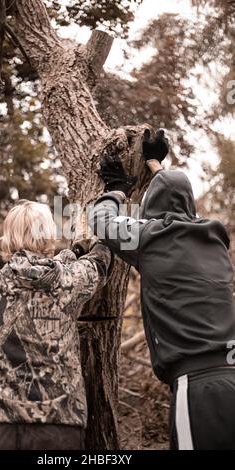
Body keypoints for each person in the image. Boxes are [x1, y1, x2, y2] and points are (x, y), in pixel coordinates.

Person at [89, 129, 235, 450]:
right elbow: (177, 205)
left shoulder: (150, 238)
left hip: (196, 387)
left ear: (150, 208)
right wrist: (156, 163)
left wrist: (115, 190)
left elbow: (100, 221)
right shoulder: (214, 239)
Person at [0, 199, 112, 450]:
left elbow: (33, 269)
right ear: (47, 234)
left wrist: (73, 252)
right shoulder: (69, 280)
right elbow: (100, 262)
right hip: (55, 422)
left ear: (9, 235)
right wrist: (101, 230)